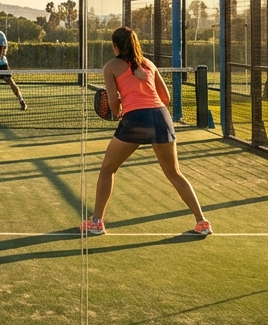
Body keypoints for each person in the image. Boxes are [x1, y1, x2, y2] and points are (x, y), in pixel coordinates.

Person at [82, 26, 210, 237]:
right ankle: (202, 222)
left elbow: (112, 101)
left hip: (135, 118)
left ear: (115, 45)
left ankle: (96, 223)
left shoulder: (111, 67)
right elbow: (166, 98)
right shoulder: (149, 64)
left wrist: (119, 112)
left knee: (107, 169)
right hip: (161, 117)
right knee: (174, 173)